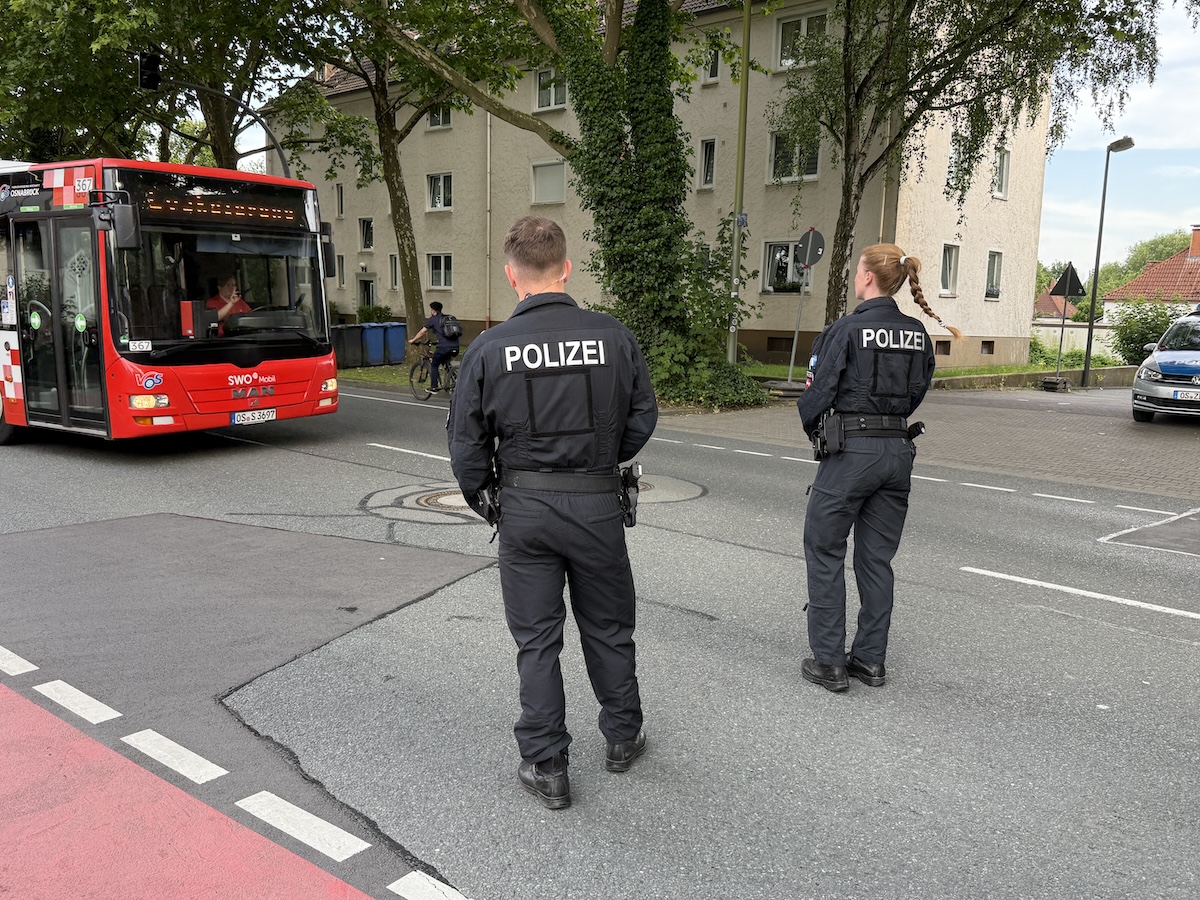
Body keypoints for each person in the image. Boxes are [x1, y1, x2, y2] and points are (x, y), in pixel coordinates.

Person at [447, 216, 658, 810]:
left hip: (525, 507)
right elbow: (643, 415)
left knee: (537, 639)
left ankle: (546, 763)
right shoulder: (612, 337)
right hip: (595, 504)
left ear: (512, 275)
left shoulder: (489, 348)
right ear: (566, 267)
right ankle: (623, 737)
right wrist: (600, 462)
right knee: (610, 627)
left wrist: (489, 499)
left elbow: (465, 446)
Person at [796, 243, 959, 693]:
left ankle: (828, 661)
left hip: (852, 452)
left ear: (868, 277)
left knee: (825, 550)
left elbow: (817, 392)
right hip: (897, 451)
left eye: (856, 270)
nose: (853, 276)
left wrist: (817, 431)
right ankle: (870, 660)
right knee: (876, 559)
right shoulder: (917, 333)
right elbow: (919, 389)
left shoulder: (845, 330)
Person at [408, 301, 460, 392]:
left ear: (433, 311)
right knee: (445, 362)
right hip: (456, 347)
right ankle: (452, 380)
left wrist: (413, 340)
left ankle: (434, 387)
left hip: (444, 347)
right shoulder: (447, 318)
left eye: (431, 310)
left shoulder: (433, 319)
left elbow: (422, 332)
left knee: (434, 364)